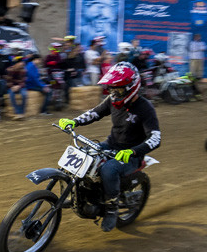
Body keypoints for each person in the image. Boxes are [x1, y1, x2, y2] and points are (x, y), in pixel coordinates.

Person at [57, 61, 161, 231]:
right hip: (111, 144)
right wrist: (74, 122)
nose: (113, 92)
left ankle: (111, 209)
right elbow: (95, 112)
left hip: (131, 154)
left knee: (108, 170)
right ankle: (77, 193)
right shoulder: (112, 100)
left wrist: (133, 151)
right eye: (112, 88)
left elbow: (155, 138)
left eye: (118, 88)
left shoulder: (145, 108)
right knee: (84, 156)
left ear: (131, 87)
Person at [5, 51, 28, 119]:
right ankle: (18, 113)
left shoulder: (24, 70)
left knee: (24, 95)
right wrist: (12, 86)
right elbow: (8, 80)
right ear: (16, 64)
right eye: (20, 62)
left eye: (22, 62)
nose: (22, 64)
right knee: (11, 95)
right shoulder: (9, 70)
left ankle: (22, 112)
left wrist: (18, 86)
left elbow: (24, 81)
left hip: (20, 86)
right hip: (11, 86)